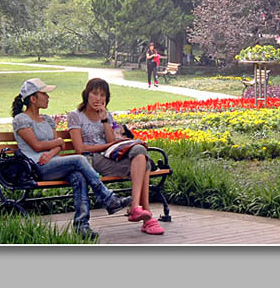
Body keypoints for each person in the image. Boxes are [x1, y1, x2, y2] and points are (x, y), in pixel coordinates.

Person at [12, 77, 132, 239]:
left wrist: (53, 150)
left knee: (78, 176)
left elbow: (58, 146)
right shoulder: (21, 120)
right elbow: (36, 146)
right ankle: (108, 198)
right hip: (35, 167)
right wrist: (57, 143)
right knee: (79, 159)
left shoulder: (47, 119)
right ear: (33, 99)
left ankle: (82, 226)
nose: (48, 97)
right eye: (44, 94)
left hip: (52, 163)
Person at [67, 78, 165, 235]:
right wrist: (106, 146)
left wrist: (105, 119)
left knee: (141, 154)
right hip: (90, 160)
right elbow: (80, 149)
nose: (98, 98)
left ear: (106, 98)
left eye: (102, 95)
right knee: (145, 164)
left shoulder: (107, 116)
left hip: (109, 157)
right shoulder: (75, 116)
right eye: (94, 93)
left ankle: (135, 208)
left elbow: (112, 142)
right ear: (86, 94)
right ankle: (146, 217)